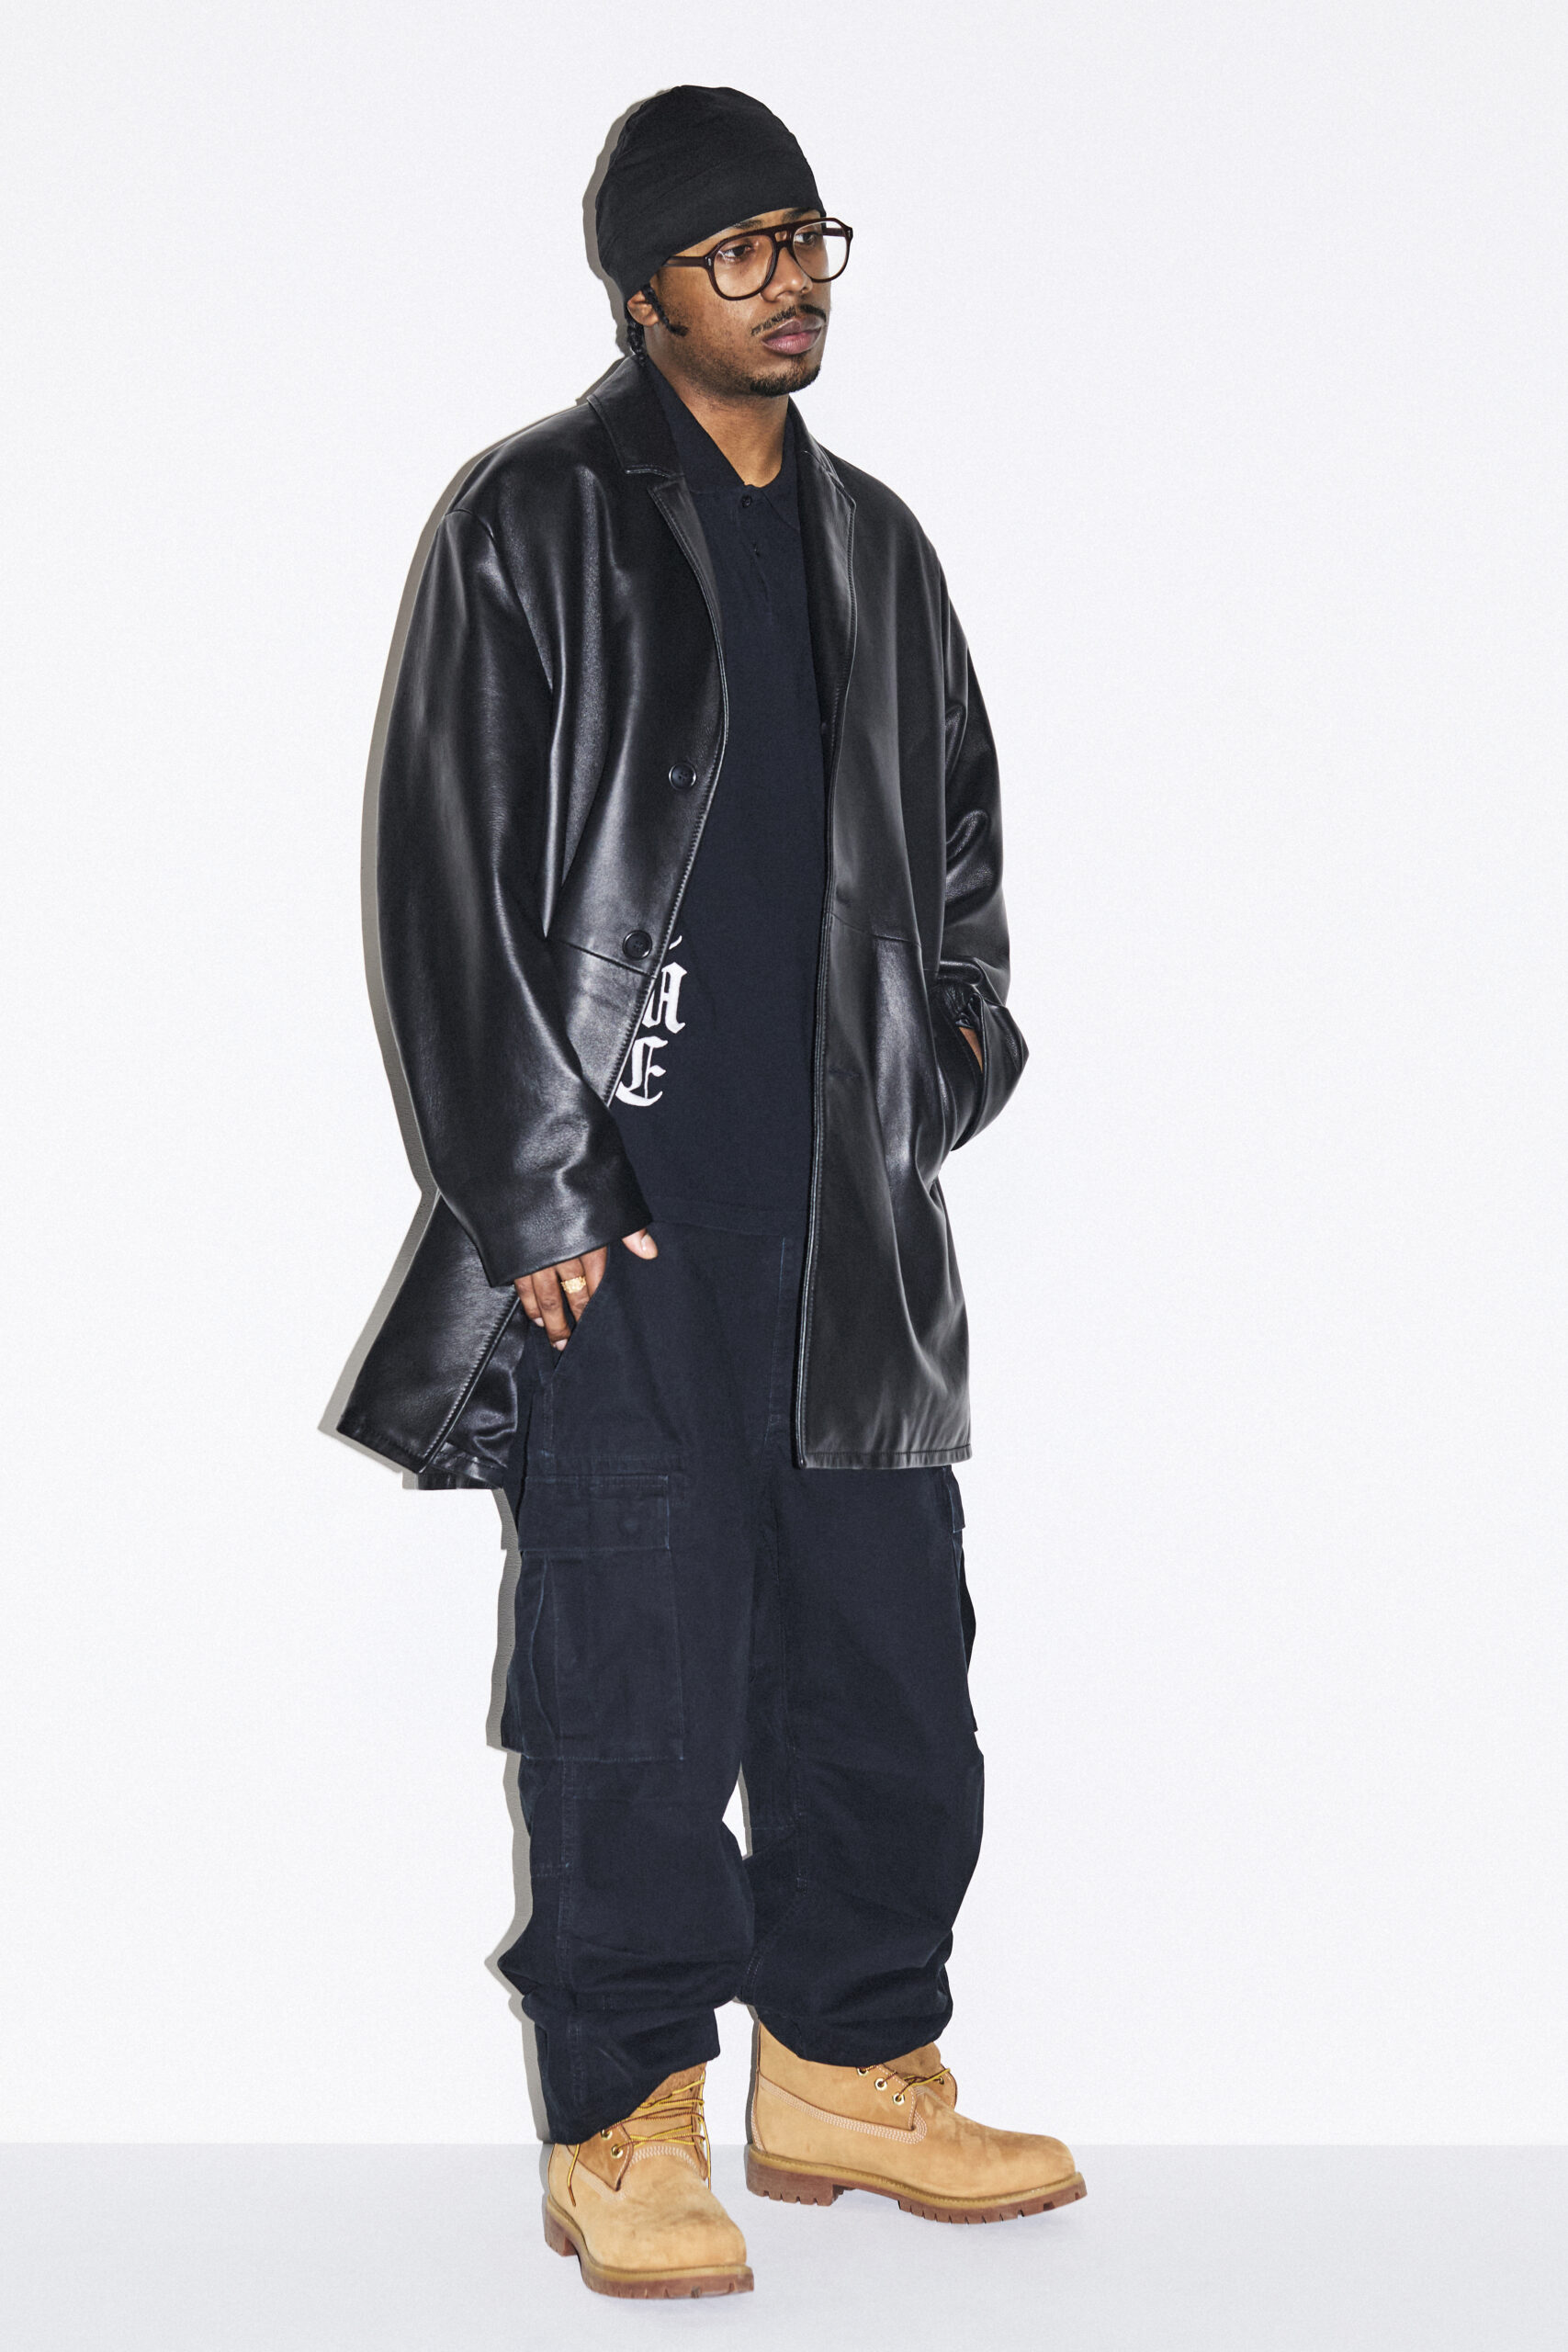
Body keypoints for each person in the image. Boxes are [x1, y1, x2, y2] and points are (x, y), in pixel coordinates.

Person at [338, 83, 1084, 2301]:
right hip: (619, 1229)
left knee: (888, 1672)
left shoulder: (877, 547)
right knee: (632, 1686)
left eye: (808, 238)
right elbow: (442, 874)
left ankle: (851, 2066)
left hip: (849, 1229)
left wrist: (947, 1060)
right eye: (737, 248)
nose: (789, 283)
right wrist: (543, 1192)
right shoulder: (533, 517)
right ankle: (626, 2112)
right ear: (640, 285)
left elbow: (960, 855)